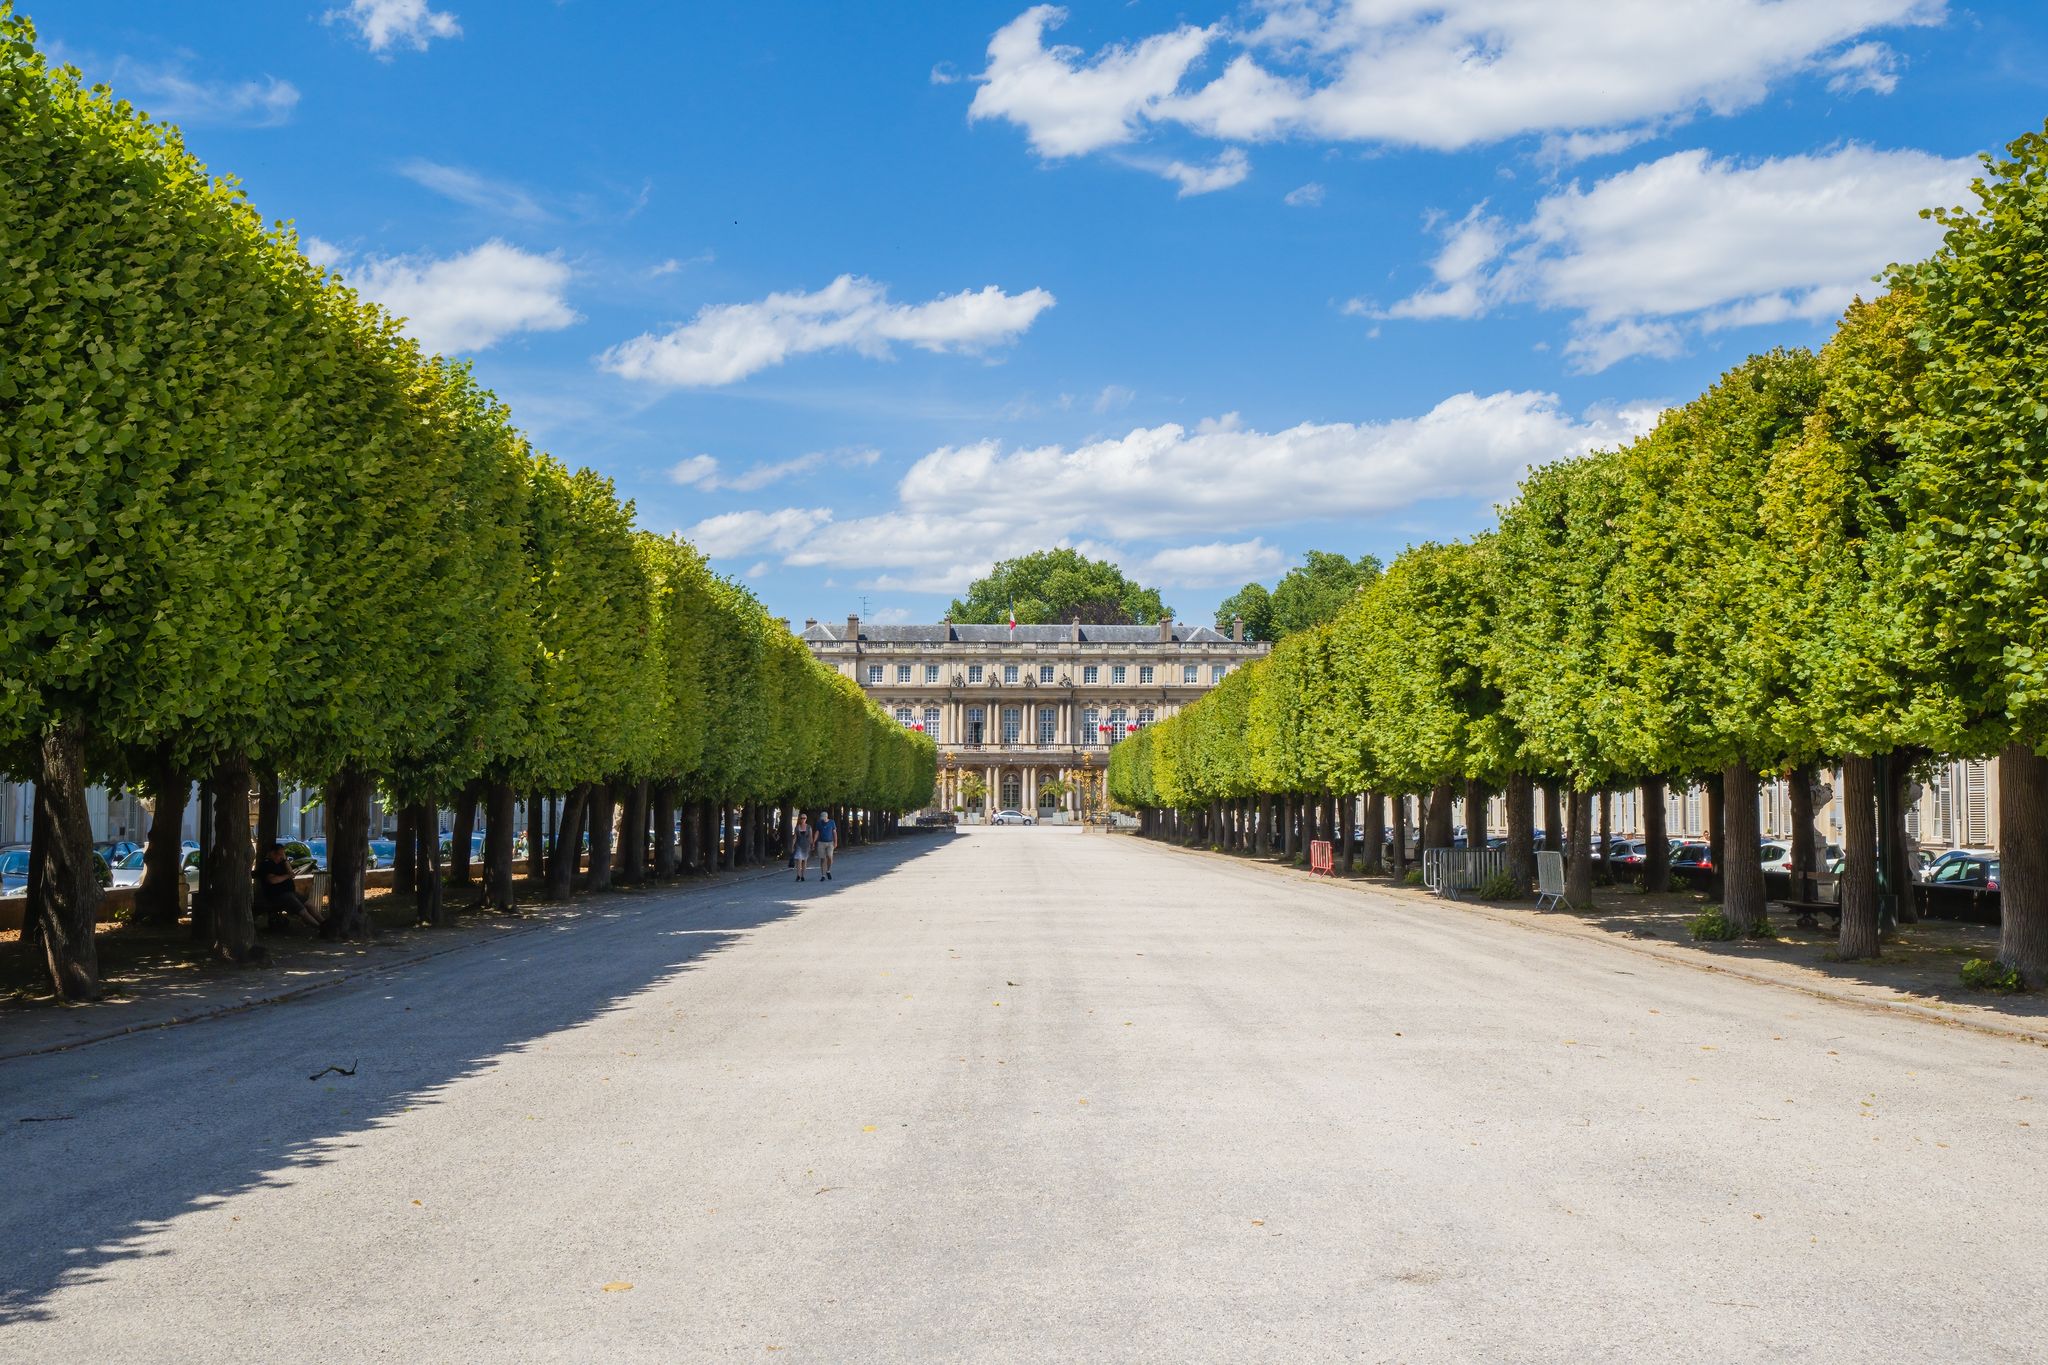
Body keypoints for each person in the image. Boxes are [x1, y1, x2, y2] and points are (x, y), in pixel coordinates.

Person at [255, 841, 323, 933]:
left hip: (290, 892)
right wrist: (287, 876)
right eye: (279, 854)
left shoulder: (281, 863)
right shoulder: (267, 864)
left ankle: (323, 922)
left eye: (283, 855)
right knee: (302, 910)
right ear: (272, 853)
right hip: (279, 894)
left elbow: (292, 873)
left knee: (309, 904)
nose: (281, 857)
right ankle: (320, 927)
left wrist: (285, 861)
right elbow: (272, 880)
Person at [814, 810, 837, 881]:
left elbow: (834, 833)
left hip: (830, 842)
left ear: (827, 817)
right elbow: (817, 832)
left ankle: (828, 871)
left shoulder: (832, 822)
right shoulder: (819, 823)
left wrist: (836, 842)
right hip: (821, 842)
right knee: (822, 858)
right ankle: (823, 875)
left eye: (824, 818)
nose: (823, 819)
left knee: (830, 857)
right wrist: (814, 841)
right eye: (822, 818)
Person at [791, 813, 811, 881]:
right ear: (800, 819)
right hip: (798, 845)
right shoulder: (797, 827)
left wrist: (812, 844)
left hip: (806, 846)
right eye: (802, 818)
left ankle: (803, 876)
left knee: (804, 861)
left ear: (806, 819)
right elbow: (795, 837)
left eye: (804, 818)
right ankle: (798, 875)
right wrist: (792, 845)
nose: (803, 819)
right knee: (799, 860)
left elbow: (810, 837)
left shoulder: (808, 827)